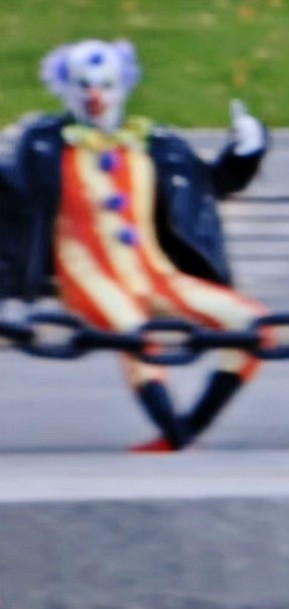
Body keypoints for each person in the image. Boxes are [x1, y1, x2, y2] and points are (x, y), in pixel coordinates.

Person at [0, 39, 270, 452]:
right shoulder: (43, 146)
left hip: (155, 274)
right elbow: (10, 198)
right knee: (136, 333)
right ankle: (181, 443)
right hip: (83, 275)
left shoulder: (154, 145)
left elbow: (212, 186)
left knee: (255, 326)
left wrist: (245, 152)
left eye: (106, 85)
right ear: (65, 88)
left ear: (123, 86)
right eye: (84, 85)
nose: (95, 97)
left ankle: (183, 434)